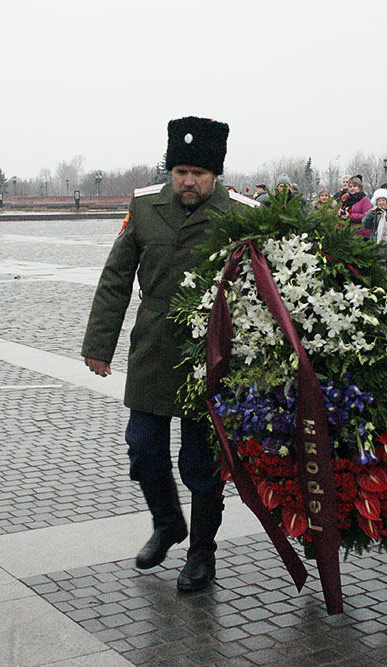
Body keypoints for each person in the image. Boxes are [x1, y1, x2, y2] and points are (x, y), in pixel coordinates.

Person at [82, 116, 257, 593]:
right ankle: (167, 522)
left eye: (198, 173)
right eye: (180, 171)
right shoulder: (143, 206)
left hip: (211, 352)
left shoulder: (242, 213)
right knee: (142, 446)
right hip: (155, 346)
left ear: (215, 174)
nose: (187, 182)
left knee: (202, 463)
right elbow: (116, 277)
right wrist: (99, 345)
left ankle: (202, 552)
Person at [361, 187, 387, 258]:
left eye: (383, 201)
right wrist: (371, 213)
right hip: (375, 244)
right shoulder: (373, 213)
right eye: (379, 201)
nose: (381, 202)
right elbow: (364, 223)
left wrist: (386, 215)